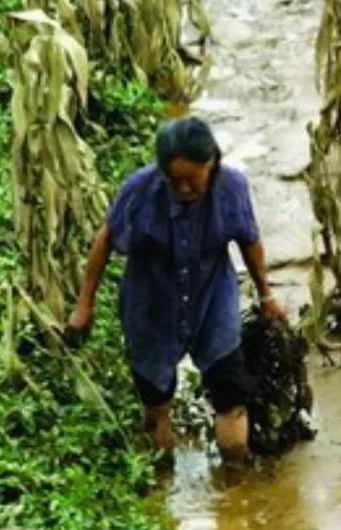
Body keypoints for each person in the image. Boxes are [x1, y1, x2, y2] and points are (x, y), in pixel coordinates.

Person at [65, 117, 286, 461]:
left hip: (212, 298)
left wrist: (266, 295)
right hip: (152, 304)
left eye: (192, 179)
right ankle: (161, 478)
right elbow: (106, 238)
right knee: (156, 400)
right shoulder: (140, 190)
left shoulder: (232, 188)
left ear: (210, 165)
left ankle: (235, 485)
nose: (184, 188)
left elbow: (249, 241)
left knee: (230, 394)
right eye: (175, 180)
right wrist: (84, 305)